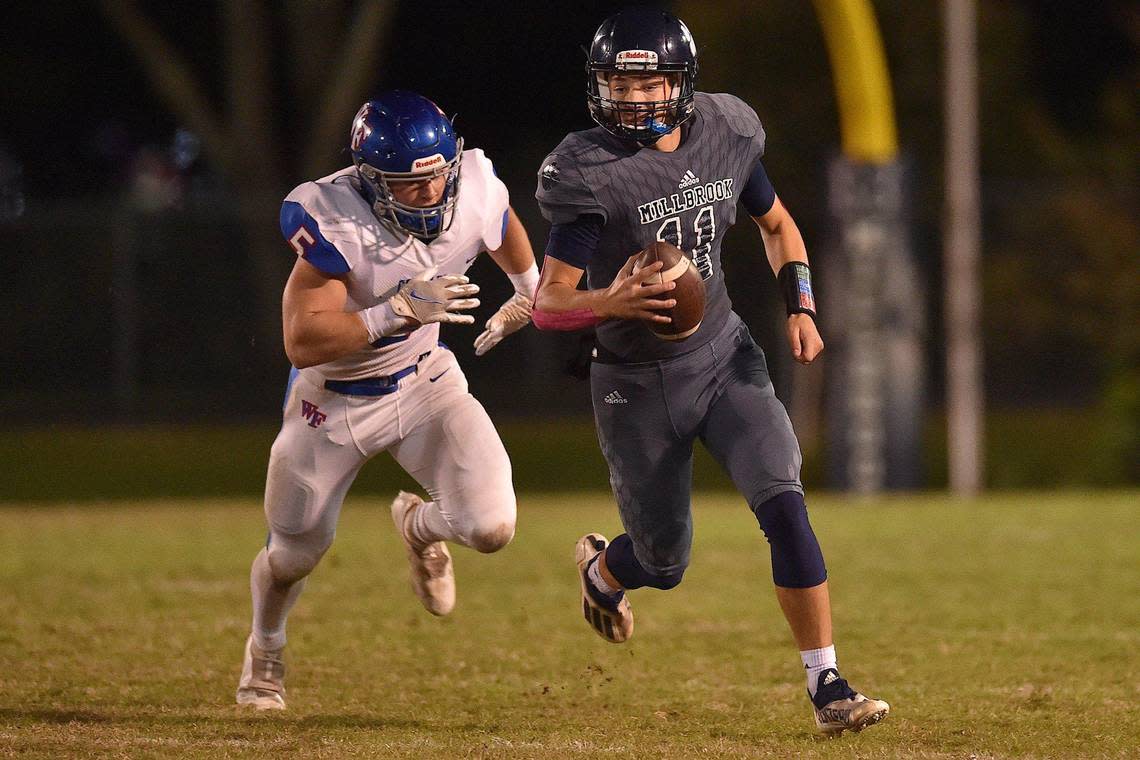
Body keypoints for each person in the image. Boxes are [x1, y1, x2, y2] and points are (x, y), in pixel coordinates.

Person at [532, 9, 890, 735]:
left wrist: (802, 307)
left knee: (784, 503)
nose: (632, 99)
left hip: (724, 356)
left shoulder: (726, 133)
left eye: (648, 81)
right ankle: (605, 573)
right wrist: (611, 299)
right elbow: (548, 304)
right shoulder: (589, 172)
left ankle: (828, 685)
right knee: (663, 564)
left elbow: (779, 225)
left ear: (681, 83)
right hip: (635, 385)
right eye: (618, 84)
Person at [236, 90, 538, 710]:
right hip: (332, 403)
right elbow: (301, 340)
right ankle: (265, 651)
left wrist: (528, 288)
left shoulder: (473, 184)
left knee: (491, 525)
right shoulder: (332, 216)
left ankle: (418, 528)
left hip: (426, 380)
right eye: (408, 184)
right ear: (371, 181)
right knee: (294, 552)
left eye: (437, 178)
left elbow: (500, 221)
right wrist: (392, 313)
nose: (430, 195)